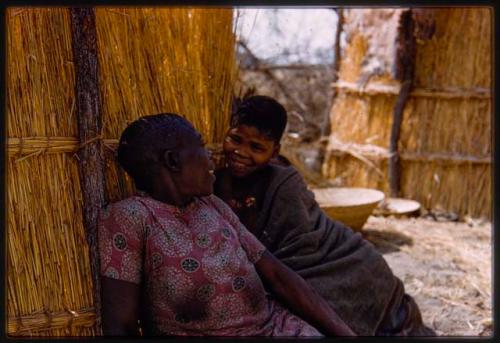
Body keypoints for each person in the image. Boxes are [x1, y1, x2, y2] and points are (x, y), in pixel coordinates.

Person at [98, 113, 355, 337]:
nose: (212, 156)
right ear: (173, 161)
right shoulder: (130, 218)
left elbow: (278, 276)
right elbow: (120, 324)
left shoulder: (212, 205)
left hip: (275, 328)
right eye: (201, 146)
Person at [214, 95, 436, 336]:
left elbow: (299, 250)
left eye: (256, 147)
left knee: (312, 309)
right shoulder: (212, 178)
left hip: (342, 262)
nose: (241, 152)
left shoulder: (284, 183)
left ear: (274, 151)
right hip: (287, 269)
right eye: (235, 139)